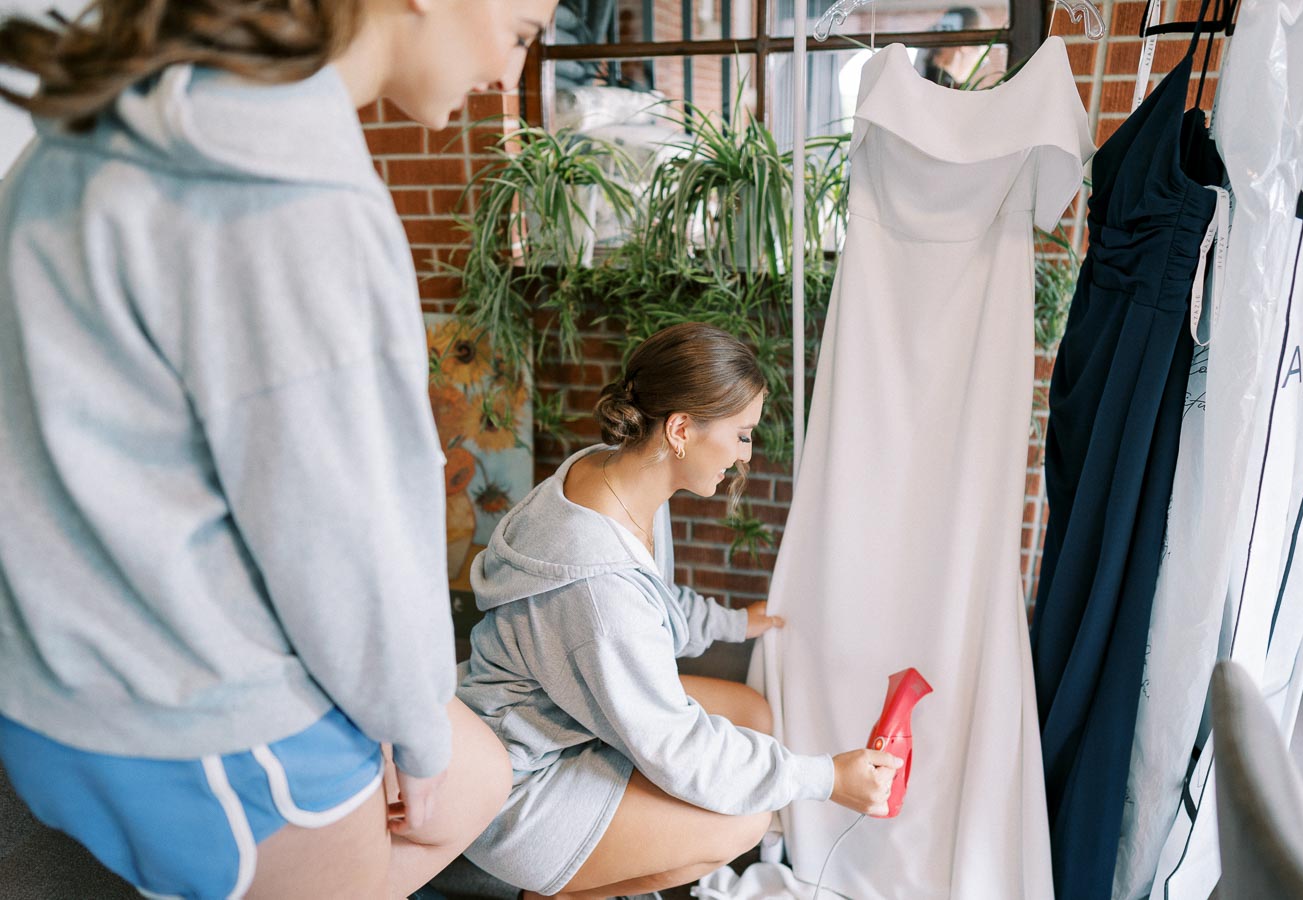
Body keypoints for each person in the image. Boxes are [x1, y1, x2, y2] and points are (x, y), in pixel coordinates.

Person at [0, 1, 555, 897]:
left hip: (49, 683)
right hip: (189, 721)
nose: (508, 73)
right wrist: (411, 734)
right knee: (459, 776)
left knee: (481, 766)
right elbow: (343, 536)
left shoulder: (115, 112)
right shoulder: (287, 191)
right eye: (522, 31)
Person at [456, 322, 902, 899]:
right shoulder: (596, 585)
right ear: (682, 429)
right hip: (522, 784)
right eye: (742, 435)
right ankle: (554, 893)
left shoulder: (613, 472)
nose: (745, 456)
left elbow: (654, 605)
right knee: (743, 821)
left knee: (750, 710)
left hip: (572, 714)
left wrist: (736, 623)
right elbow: (676, 746)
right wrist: (825, 777)